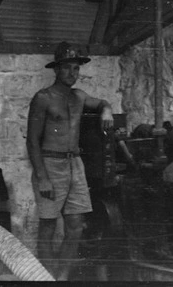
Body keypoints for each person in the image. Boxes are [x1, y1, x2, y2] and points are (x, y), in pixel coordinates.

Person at [26, 42, 113, 281]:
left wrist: (106, 110)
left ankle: (62, 277)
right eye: (66, 68)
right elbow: (32, 141)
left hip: (75, 164)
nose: (72, 73)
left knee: (75, 226)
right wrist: (42, 177)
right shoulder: (43, 98)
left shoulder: (79, 97)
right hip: (50, 164)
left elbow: (102, 102)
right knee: (48, 226)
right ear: (56, 69)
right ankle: (46, 277)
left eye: (76, 69)